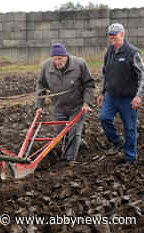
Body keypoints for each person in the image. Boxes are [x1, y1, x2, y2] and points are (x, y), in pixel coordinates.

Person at [36, 43, 95, 163]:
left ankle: (69, 160)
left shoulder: (79, 64)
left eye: (60, 58)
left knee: (74, 132)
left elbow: (89, 84)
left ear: (66, 57)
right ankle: (74, 147)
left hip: (77, 106)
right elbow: (41, 86)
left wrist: (86, 103)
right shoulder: (46, 67)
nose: (58, 61)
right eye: (55, 59)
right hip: (58, 107)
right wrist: (39, 106)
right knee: (60, 134)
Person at [97, 23, 144, 164]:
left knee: (129, 128)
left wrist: (139, 96)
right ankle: (117, 142)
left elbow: (142, 75)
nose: (113, 40)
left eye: (115, 37)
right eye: (111, 38)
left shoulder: (133, 52)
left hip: (128, 98)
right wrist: (102, 92)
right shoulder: (109, 52)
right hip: (111, 96)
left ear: (122, 34)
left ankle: (130, 158)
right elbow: (106, 73)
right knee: (104, 118)